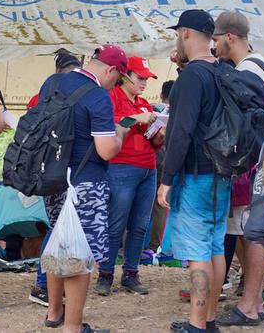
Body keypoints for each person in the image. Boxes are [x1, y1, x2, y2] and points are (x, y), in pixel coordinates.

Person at [39, 44, 128, 333]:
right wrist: (120, 134)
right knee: (80, 253)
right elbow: (105, 150)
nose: (116, 84)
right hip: (85, 184)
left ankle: (54, 313)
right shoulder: (98, 96)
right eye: (118, 78)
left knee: (59, 242)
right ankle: (73, 326)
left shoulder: (51, 83)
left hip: (51, 180)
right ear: (111, 69)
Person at [157, 10, 231, 333]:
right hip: (222, 174)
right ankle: (209, 320)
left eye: (178, 33)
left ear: (185, 33)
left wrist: (166, 179)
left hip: (195, 175)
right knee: (215, 246)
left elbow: (181, 131)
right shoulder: (224, 72)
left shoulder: (190, 78)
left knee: (198, 252)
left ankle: (196, 325)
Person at [209, 12, 264, 327]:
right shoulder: (261, 66)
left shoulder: (248, 70)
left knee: (254, 233)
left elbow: (245, 126)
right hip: (262, 163)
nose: (214, 45)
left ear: (230, 37)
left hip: (256, 165)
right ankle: (254, 301)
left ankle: (249, 305)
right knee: (251, 232)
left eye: (216, 39)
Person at [96, 56, 161, 296]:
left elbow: (153, 142)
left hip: (148, 168)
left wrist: (160, 133)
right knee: (116, 224)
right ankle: (105, 274)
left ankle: (131, 274)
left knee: (140, 225)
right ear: (125, 76)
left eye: (147, 79)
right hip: (121, 167)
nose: (144, 83)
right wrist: (136, 118)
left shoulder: (145, 103)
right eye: (140, 78)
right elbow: (107, 126)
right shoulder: (110, 97)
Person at [28, 49, 83, 307]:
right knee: (60, 228)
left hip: (46, 167)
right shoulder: (63, 88)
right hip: (62, 167)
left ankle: (46, 287)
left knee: (58, 226)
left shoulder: (44, 90)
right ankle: (42, 284)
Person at [145, 80, 174, 253]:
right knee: (160, 205)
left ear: (162, 95)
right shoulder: (180, 112)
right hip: (168, 161)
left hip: (150, 158)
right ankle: (154, 247)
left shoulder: (152, 110)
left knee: (142, 203)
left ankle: (130, 245)